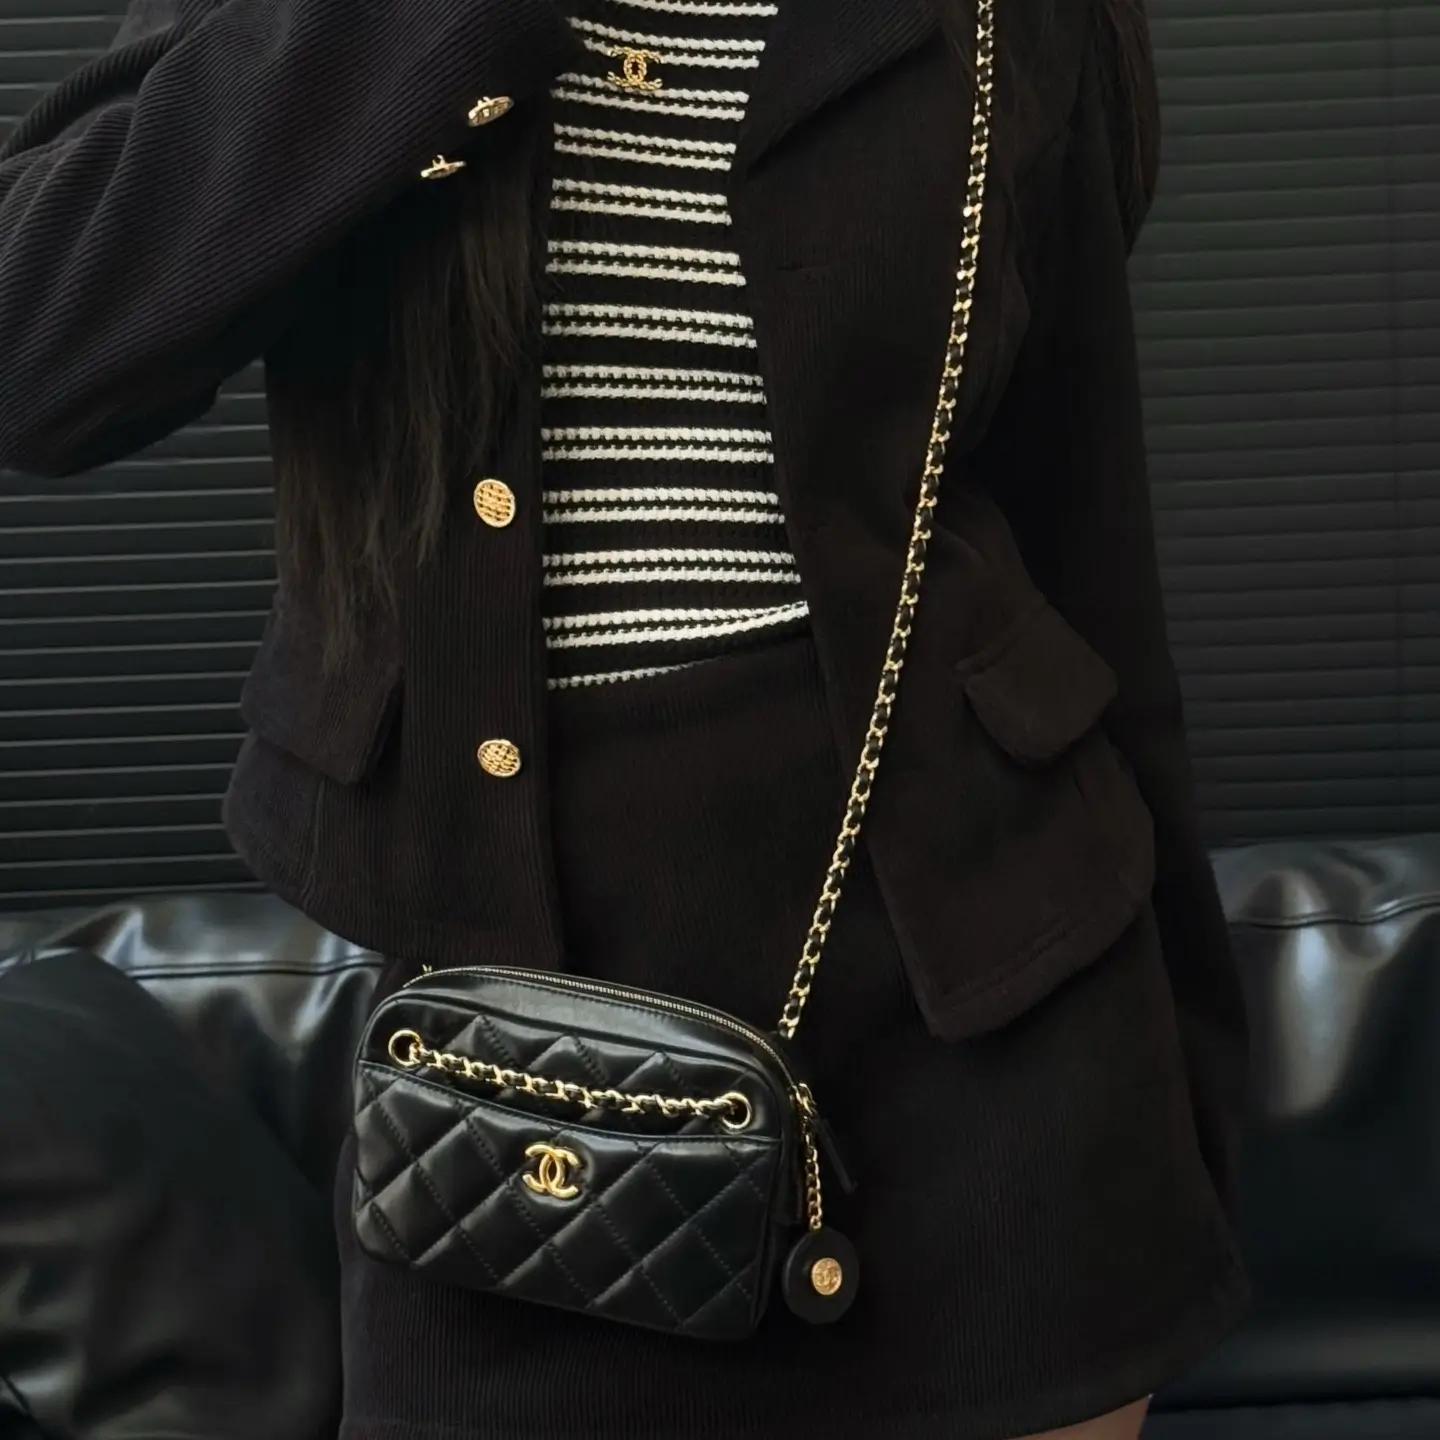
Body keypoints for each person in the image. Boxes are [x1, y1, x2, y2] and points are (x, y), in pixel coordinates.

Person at [0, 0, 1251, 1435]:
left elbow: (1086, 532)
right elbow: (38, 349)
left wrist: (1200, 1110)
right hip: (503, 1096)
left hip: (998, 1054)